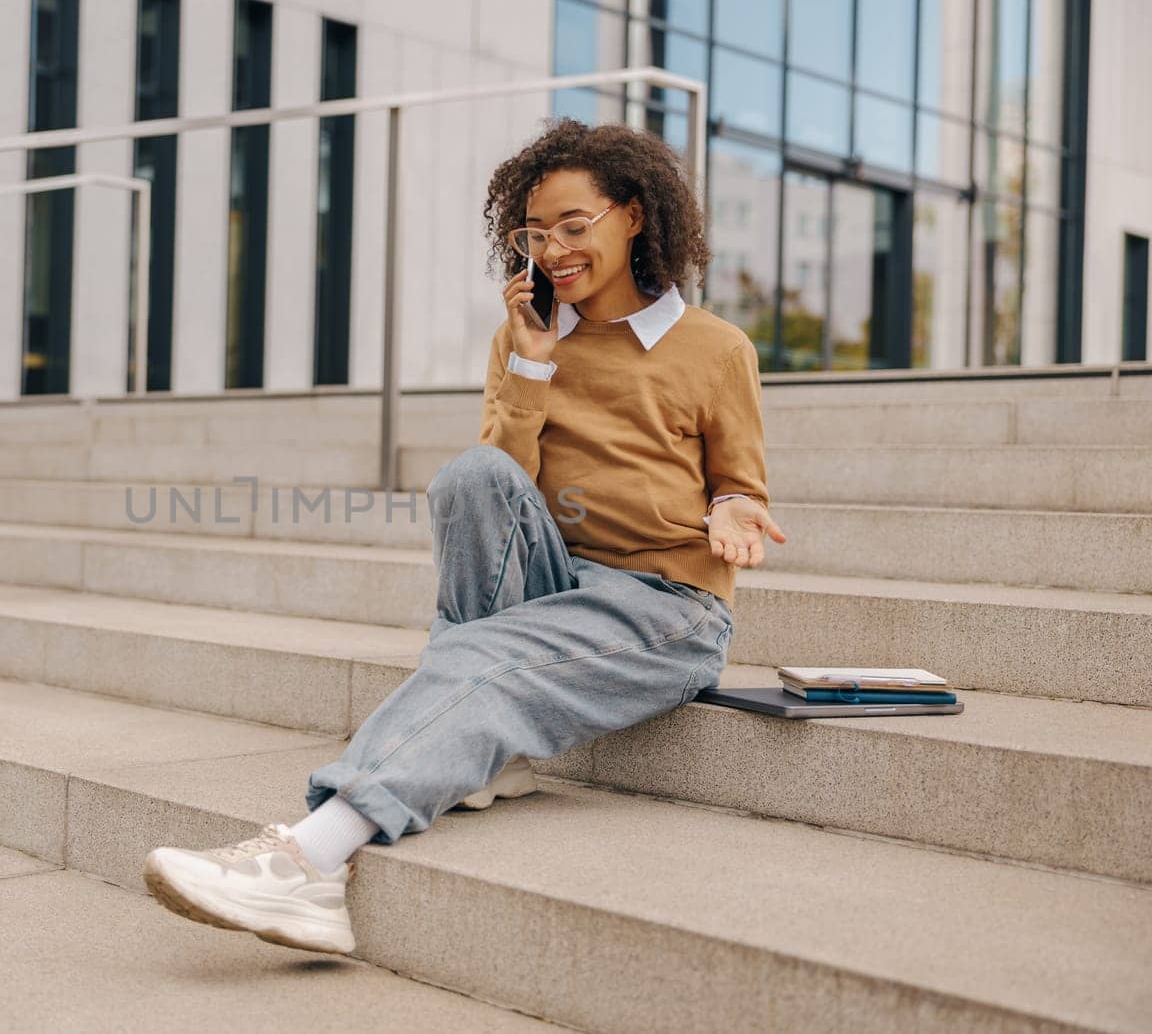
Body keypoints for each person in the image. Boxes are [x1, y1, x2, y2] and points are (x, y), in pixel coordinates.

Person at [141, 117, 788, 956]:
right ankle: (490, 749)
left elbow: (740, 479)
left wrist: (734, 505)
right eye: (533, 233)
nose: (552, 249)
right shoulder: (525, 340)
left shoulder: (716, 347)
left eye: (573, 225)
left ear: (633, 215)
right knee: (470, 478)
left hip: (666, 608)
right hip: (558, 579)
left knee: (481, 656)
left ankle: (309, 859)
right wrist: (531, 363)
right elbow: (503, 477)